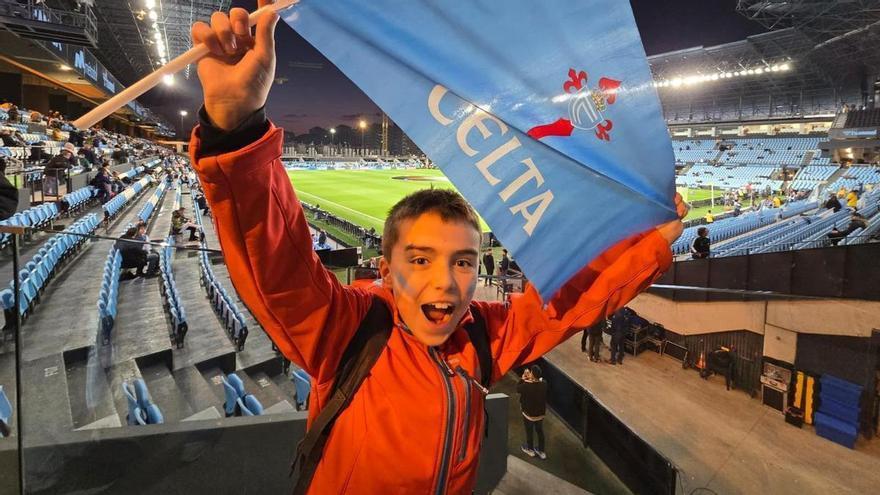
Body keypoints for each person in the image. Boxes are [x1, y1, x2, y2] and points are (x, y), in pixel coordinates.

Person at [187, 6, 685, 493]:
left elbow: (563, 305)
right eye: (420, 259)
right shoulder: (350, 331)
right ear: (385, 269)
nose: (445, 282)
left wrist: (643, 243)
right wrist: (237, 131)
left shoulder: (483, 337)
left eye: (463, 262)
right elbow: (279, 268)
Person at [517, 365, 548, 460]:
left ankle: (530, 450)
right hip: (540, 415)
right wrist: (531, 379)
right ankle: (541, 451)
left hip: (529, 415)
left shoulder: (526, 386)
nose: (529, 373)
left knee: (529, 431)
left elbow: (518, 389)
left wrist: (522, 379)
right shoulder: (544, 384)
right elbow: (540, 381)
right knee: (540, 431)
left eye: (530, 372)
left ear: (533, 375)